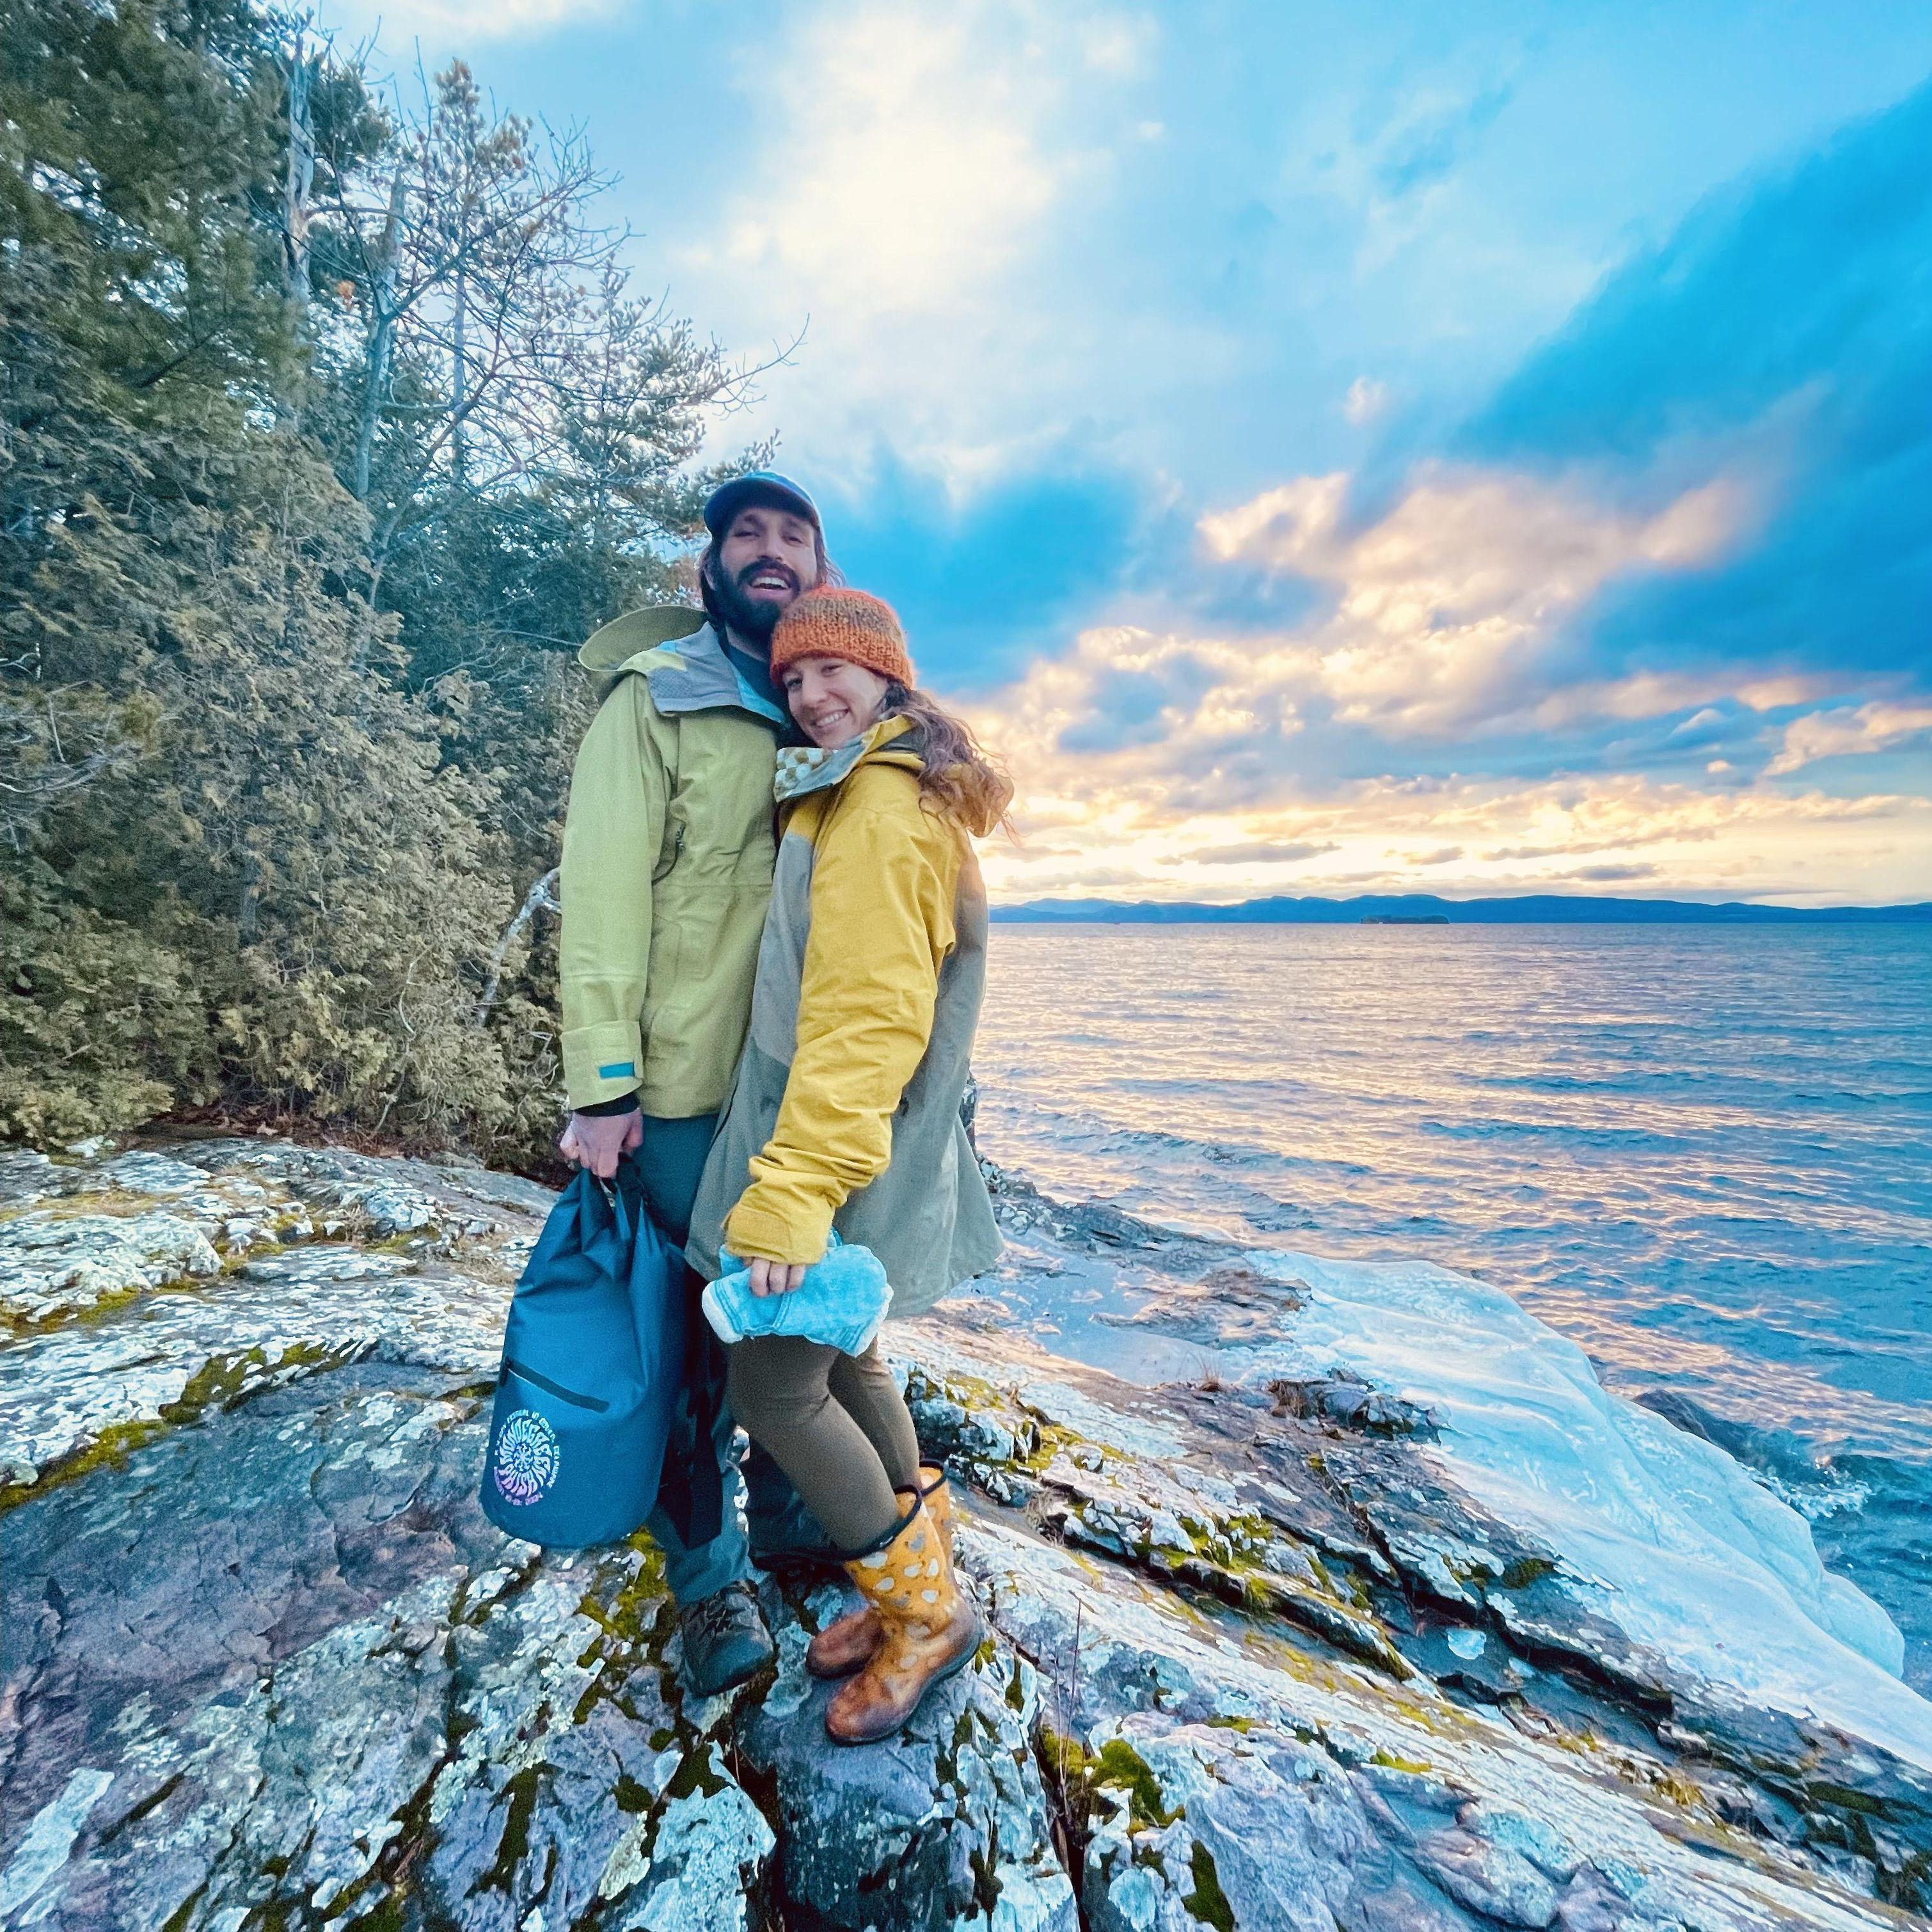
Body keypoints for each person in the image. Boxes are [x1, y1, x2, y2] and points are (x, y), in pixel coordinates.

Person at [685, 587, 1009, 1744]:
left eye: (835, 670)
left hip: (834, 1151)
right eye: (793, 678)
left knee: (773, 1389)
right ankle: (910, 1584)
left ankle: (927, 1617)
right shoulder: (874, 789)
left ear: (887, 678)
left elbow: (865, 1023)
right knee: (854, 1354)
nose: (812, 694)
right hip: (857, 1145)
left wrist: (792, 1191)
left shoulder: (878, 807)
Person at [554, 470, 837, 1697]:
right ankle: (710, 1581)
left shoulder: (833, 708)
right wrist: (602, 1087)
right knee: (691, 1345)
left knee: (803, 1313)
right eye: (746, 535)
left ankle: (797, 1524)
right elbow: (603, 898)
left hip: (802, 1090)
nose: (770, 551)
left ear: (819, 569)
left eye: (793, 536)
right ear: (711, 564)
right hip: (678, 1089)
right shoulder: (655, 698)